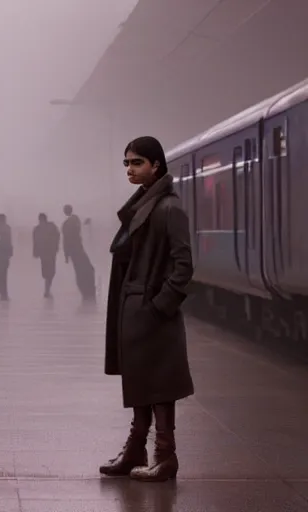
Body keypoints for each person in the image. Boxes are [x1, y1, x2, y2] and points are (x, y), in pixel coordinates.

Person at [99, 136, 195, 482]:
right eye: (126, 163)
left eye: (136, 162)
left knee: (160, 384)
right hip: (134, 309)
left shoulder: (169, 208)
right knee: (141, 380)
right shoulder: (142, 206)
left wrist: (159, 307)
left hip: (152, 311)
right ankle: (136, 448)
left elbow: (183, 266)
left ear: (156, 165)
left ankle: (164, 454)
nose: (129, 169)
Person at [62, 204, 97, 301]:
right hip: (76, 250)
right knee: (86, 270)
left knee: (82, 270)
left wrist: (66, 254)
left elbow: (65, 240)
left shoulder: (68, 223)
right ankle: (87, 292)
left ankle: (86, 292)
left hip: (75, 250)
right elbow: (66, 240)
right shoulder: (73, 221)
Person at [32, 213, 60, 298]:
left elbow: (57, 237)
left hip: (50, 253)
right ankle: (47, 290)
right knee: (46, 273)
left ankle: (47, 289)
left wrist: (56, 247)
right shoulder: (37, 229)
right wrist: (35, 252)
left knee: (51, 273)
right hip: (44, 254)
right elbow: (35, 241)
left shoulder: (51, 227)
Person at [0, 214, 13, 301]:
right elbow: (9, 241)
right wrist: (10, 252)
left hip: (0, 253)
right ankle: (4, 293)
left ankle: (2, 292)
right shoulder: (7, 228)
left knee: (0, 274)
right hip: (5, 253)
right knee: (4, 273)